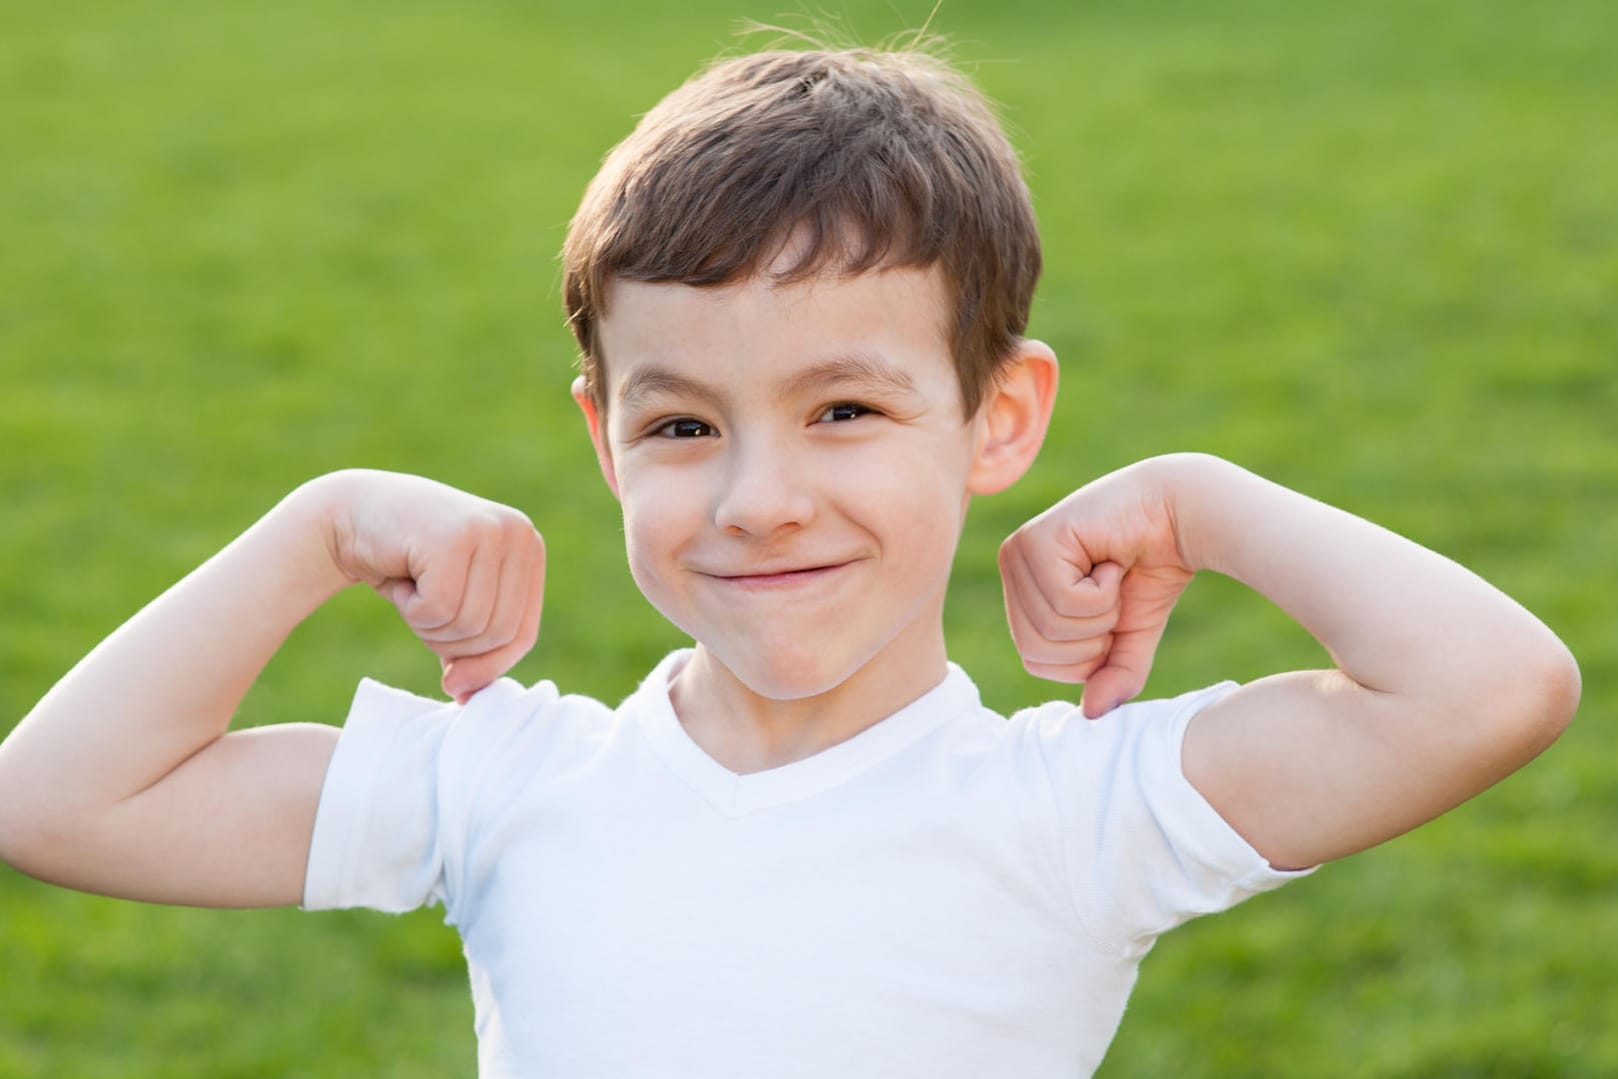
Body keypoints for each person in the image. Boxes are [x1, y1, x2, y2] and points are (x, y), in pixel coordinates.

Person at [0, 45, 1580, 1078]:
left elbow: (1491, 686)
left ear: (996, 416)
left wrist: (1200, 500)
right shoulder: (507, 783)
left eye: (842, 409)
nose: (759, 499)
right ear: (603, 439)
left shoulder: (1078, 809)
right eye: (681, 428)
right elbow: (55, 803)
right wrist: (317, 525)